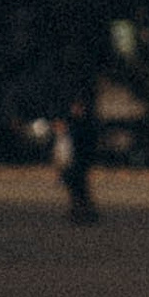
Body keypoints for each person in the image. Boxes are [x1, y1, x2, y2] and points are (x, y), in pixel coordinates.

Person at [55, 93, 101, 224]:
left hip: (80, 162)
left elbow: (87, 144)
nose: (77, 110)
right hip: (72, 162)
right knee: (75, 188)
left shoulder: (84, 124)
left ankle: (83, 213)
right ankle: (80, 212)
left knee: (79, 189)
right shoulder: (72, 123)